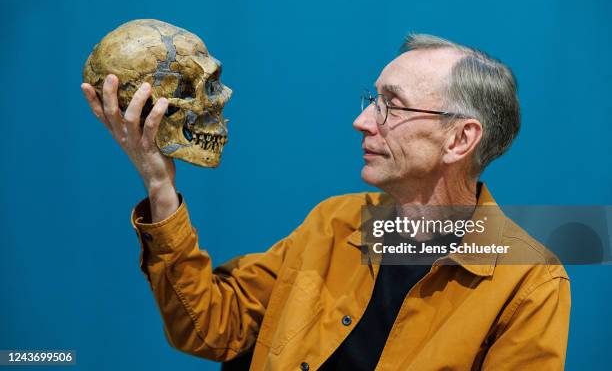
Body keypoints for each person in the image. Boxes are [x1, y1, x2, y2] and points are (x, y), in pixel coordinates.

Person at [81, 34, 571, 370]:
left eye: (391, 106)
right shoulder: (334, 222)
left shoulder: (529, 282)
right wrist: (161, 188)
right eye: (370, 100)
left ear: (459, 141)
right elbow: (210, 328)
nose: (363, 122)